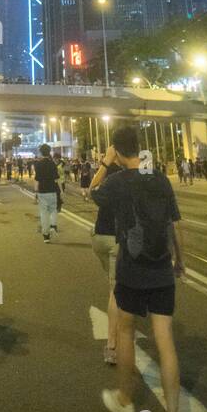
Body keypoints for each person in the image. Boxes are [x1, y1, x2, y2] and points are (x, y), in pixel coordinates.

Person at [91, 127, 184, 412]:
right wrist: (180, 260)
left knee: (126, 332)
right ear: (139, 148)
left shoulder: (117, 181)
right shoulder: (158, 178)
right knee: (165, 340)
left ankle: (124, 400)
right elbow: (173, 224)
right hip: (161, 269)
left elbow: (91, 191)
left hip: (131, 269)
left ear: (117, 151)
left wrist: (105, 163)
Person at [89, 150, 121, 365]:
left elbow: (91, 189)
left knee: (114, 282)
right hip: (117, 240)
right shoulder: (131, 178)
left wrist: (105, 163)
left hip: (99, 239)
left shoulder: (109, 178)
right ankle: (112, 343)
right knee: (115, 290)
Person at [34, 143, 59, 241]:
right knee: (53, 209)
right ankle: (53, 226)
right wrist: (60, 190)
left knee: (44, 213)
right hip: (52, 190)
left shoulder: (38, 164)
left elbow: (37, 180)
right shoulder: (52, 164)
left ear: (41, 152)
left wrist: (36, 192)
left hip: (42, 191)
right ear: (49, 152)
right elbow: (56, 179)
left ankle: (46, 235)